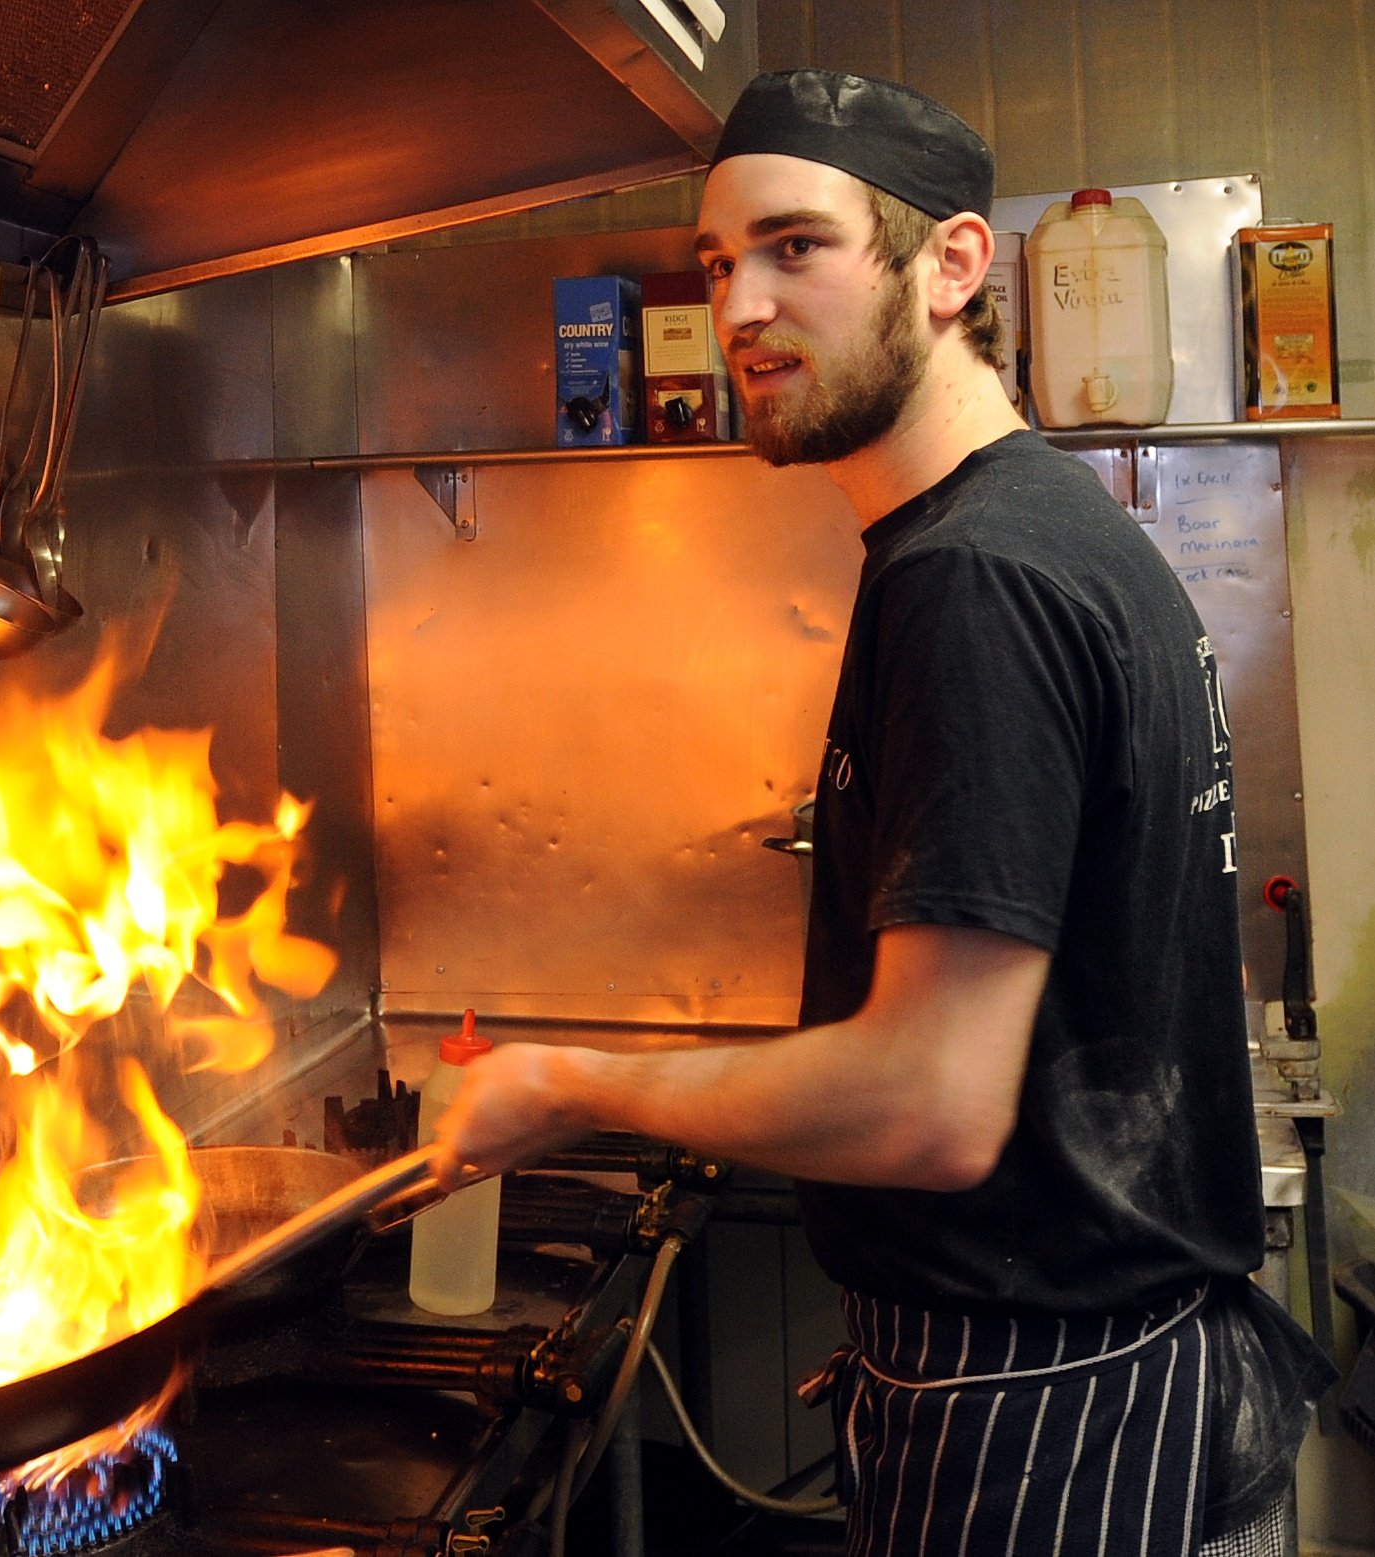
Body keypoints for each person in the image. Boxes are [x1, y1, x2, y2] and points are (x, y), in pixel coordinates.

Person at [429, 69, 1332, 1556]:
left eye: (796, 248)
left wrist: (569, 1084)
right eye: (718, 265)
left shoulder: (970, 578)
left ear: (953, 266)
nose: (737, 308)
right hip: (1114, 1393)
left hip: (1055, 1427)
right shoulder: (1045, 532)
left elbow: (925, 1100)